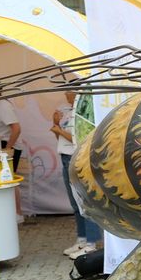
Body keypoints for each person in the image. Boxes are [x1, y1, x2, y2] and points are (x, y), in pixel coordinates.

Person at [51, 92, 101, 259]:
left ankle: (91, 242)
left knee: (84, 201)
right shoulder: (66, 111)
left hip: (76, 157)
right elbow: (60, 136)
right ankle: (82, 238)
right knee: (74, 203)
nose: (67, 95)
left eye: (70, 91)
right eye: (66, 91)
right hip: (65, 156)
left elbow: (77, 138)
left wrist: (58, 129)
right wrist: (56, 124)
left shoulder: (84, 112)